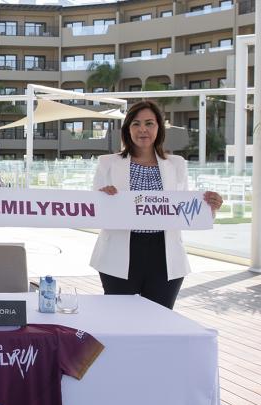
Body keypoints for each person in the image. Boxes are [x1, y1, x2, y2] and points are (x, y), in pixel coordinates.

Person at [91, 100, 223, 309]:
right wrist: (102, 198)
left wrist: (210, 208)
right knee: (119, 318)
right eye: (136, 123)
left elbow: (184, 210)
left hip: (165, 255)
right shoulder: (107, 163)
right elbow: (95, 210)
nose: (142, 129)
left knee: (160, 322)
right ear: (127, 129)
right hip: (119, 254)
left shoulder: (177, 164)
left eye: (149, 123)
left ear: (159, 128)